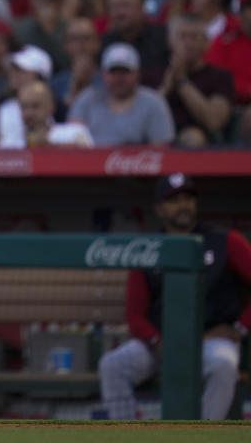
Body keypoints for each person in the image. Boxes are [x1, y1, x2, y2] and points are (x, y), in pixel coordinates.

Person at [98, 173, 251, 421]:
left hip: (211, 341)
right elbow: (135, 314)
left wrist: (240, 328)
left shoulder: (225, 241)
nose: (183, 205)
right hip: (162, 343)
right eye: (174, 200)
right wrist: (156, 341)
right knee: (112, 365)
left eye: (188, 198)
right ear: (159, 209)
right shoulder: (148, 249)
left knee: (224, 364)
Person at [68, 42, 174, 147]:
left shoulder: (153, 103)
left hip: (134, 162)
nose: (119, 78)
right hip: (89, 161)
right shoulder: (87, 98)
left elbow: (162, 149)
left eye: (125, 71)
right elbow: (71, 140)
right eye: (113, 71)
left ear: (138, 73)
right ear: (103, 74)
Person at [157, 15, 234, 147]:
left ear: (206, 43)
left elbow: (214, 121)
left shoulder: (221, 77)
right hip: (155, 141)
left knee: (193, 137)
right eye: (182, 36)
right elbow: (140, 118)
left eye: (194, 37)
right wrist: (165, 88)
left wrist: (182, 82)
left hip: (203, 145)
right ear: (169, 40)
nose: (188, 43)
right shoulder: (153, 74)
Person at [100, 0, 170, 89]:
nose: (119, 13)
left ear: (142, 7)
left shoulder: (165, 39)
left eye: (125, 5)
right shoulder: (103, 45)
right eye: (114, 6)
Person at [0, 45, 53, 149]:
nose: (13, 74)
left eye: (20, 70)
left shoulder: (59, 109)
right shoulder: (2, 107)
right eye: (12, 69)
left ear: (39, 76)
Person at [19, 81, 93, 147]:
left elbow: (89, 157)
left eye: (35, 106)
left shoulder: (74, 133)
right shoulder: (12, 139)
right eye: (24, 107)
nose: (28, 113)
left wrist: (47, 144)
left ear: (51, 107)